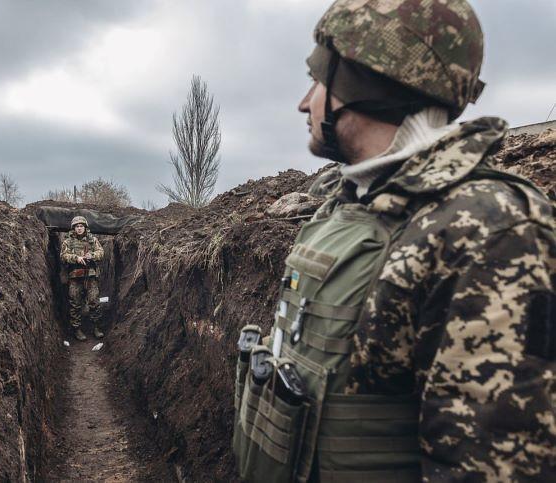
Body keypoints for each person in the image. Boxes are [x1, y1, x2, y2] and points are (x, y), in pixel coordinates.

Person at [232, 1, 555, 481]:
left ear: (366, 83)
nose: (305, 102)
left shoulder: (489, 229)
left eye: (319, 79)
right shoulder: (348, 204)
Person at [61, 216, 105, 341]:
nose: (79, 228)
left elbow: (101, 252)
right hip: (75, 277)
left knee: (94, 301)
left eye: (81, 226)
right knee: (75, 303)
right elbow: (63, 255)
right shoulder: (68, 242)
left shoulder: (92, 240)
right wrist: (76, 258)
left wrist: (92, 255)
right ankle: (77, 329)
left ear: (85, 227)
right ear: (73, 228)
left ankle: (96, 327)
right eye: (77, 226)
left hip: (90, 276)